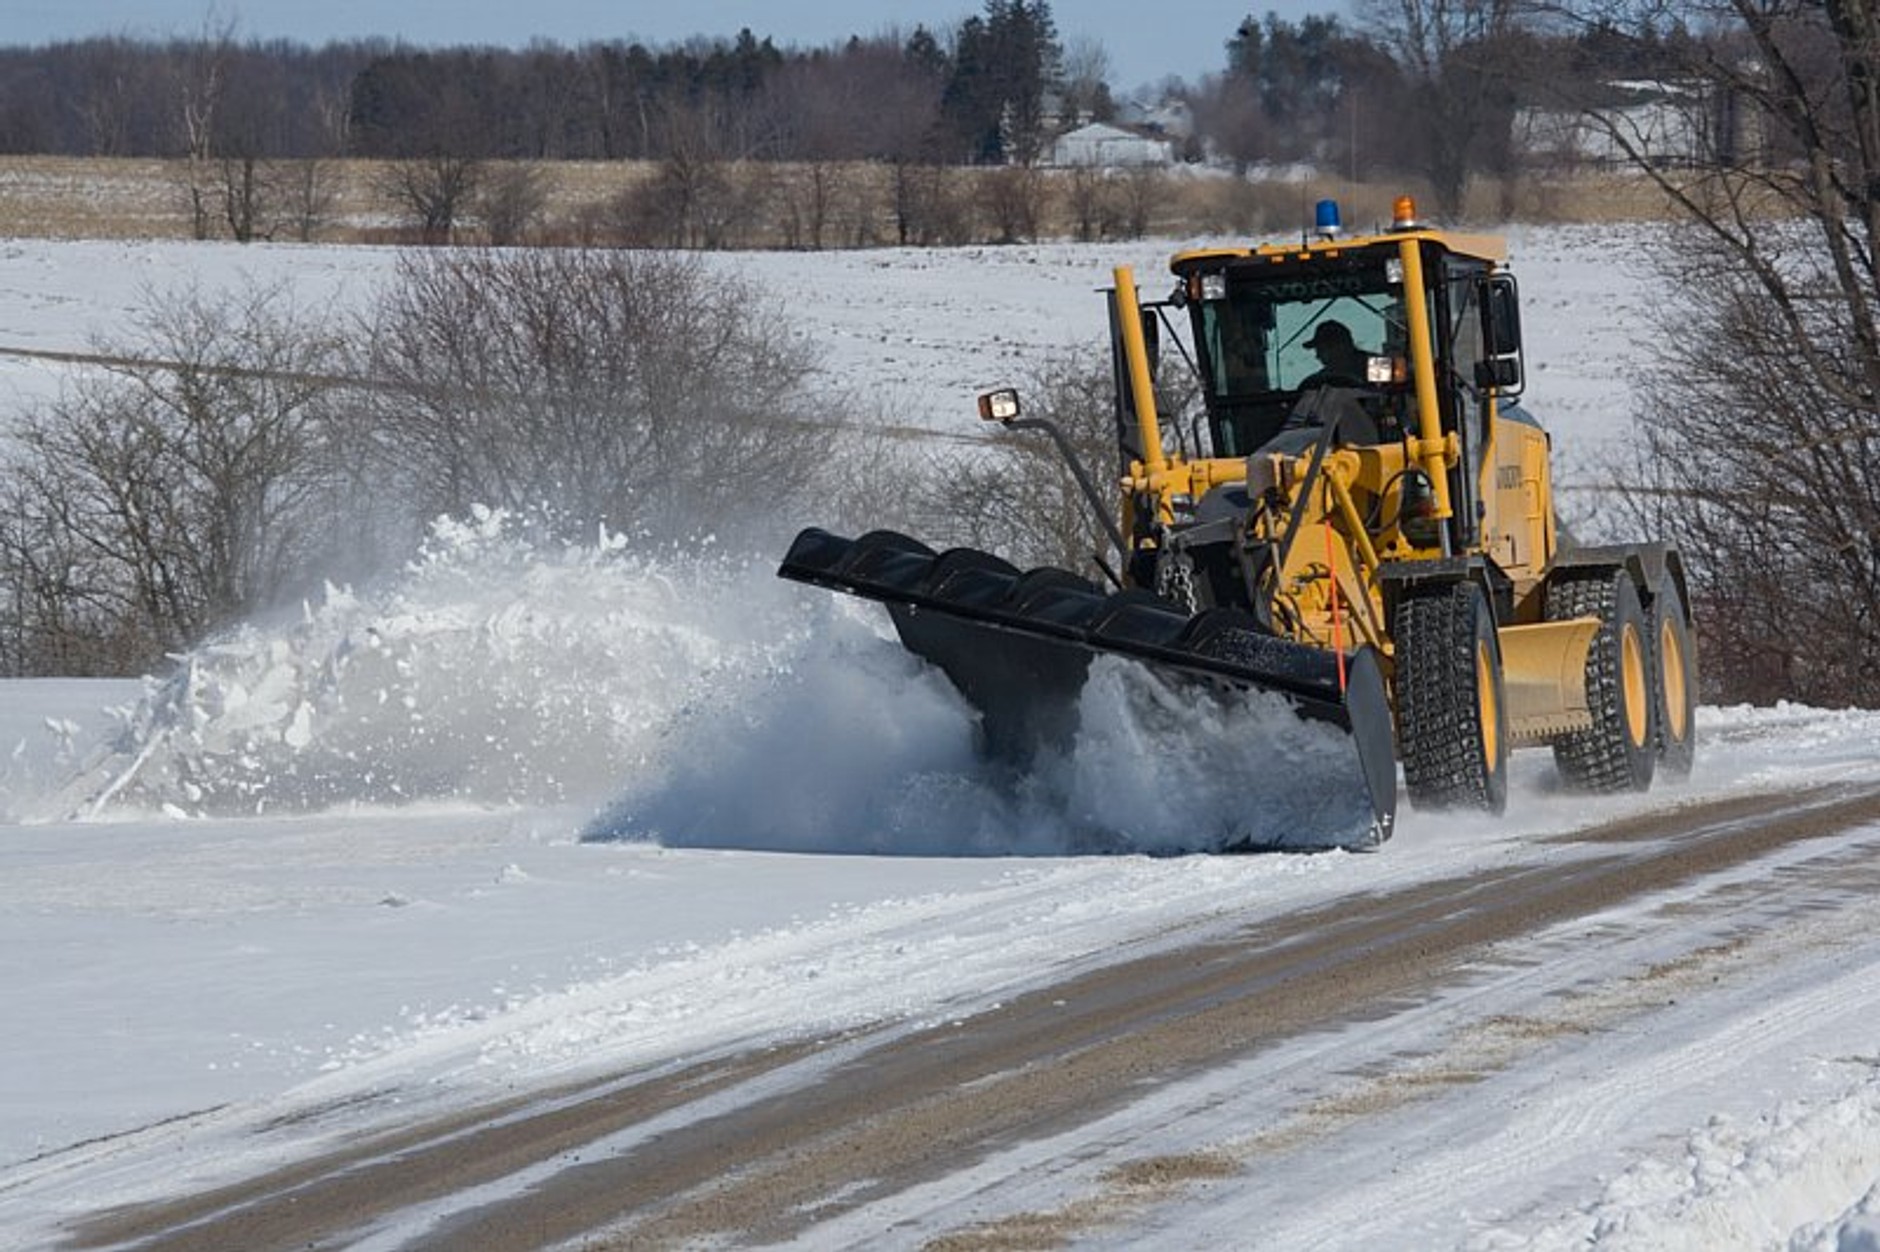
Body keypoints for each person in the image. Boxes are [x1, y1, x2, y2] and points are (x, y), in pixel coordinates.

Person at [1302, 319, 1371, 387]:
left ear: (1342, 347)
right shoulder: (1322, 378)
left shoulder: (1376, 366)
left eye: (1322, 350)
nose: (1317, 356)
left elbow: (1379, 394)